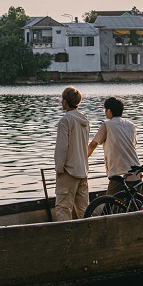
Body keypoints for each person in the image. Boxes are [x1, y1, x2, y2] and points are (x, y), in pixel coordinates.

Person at [87, 96, 139, 196]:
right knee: (132, 204)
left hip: (119, 173)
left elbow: (93, 144)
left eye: (105, 110)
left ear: (109, 111)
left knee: (109, 203)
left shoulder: (107, 125)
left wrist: (83, 158)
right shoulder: (131, 125)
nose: (105, 112)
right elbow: (133, 144)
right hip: (136, 171)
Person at [53, 86, 90, 221]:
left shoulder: (65, 120)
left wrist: (59, 168)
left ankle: (65, 240)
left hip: (69, 171)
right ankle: (87, 237)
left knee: (63, 208)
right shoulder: (84, 121)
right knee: (84, 210)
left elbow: (62, 148)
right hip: (83, 170)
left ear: (64, 102)